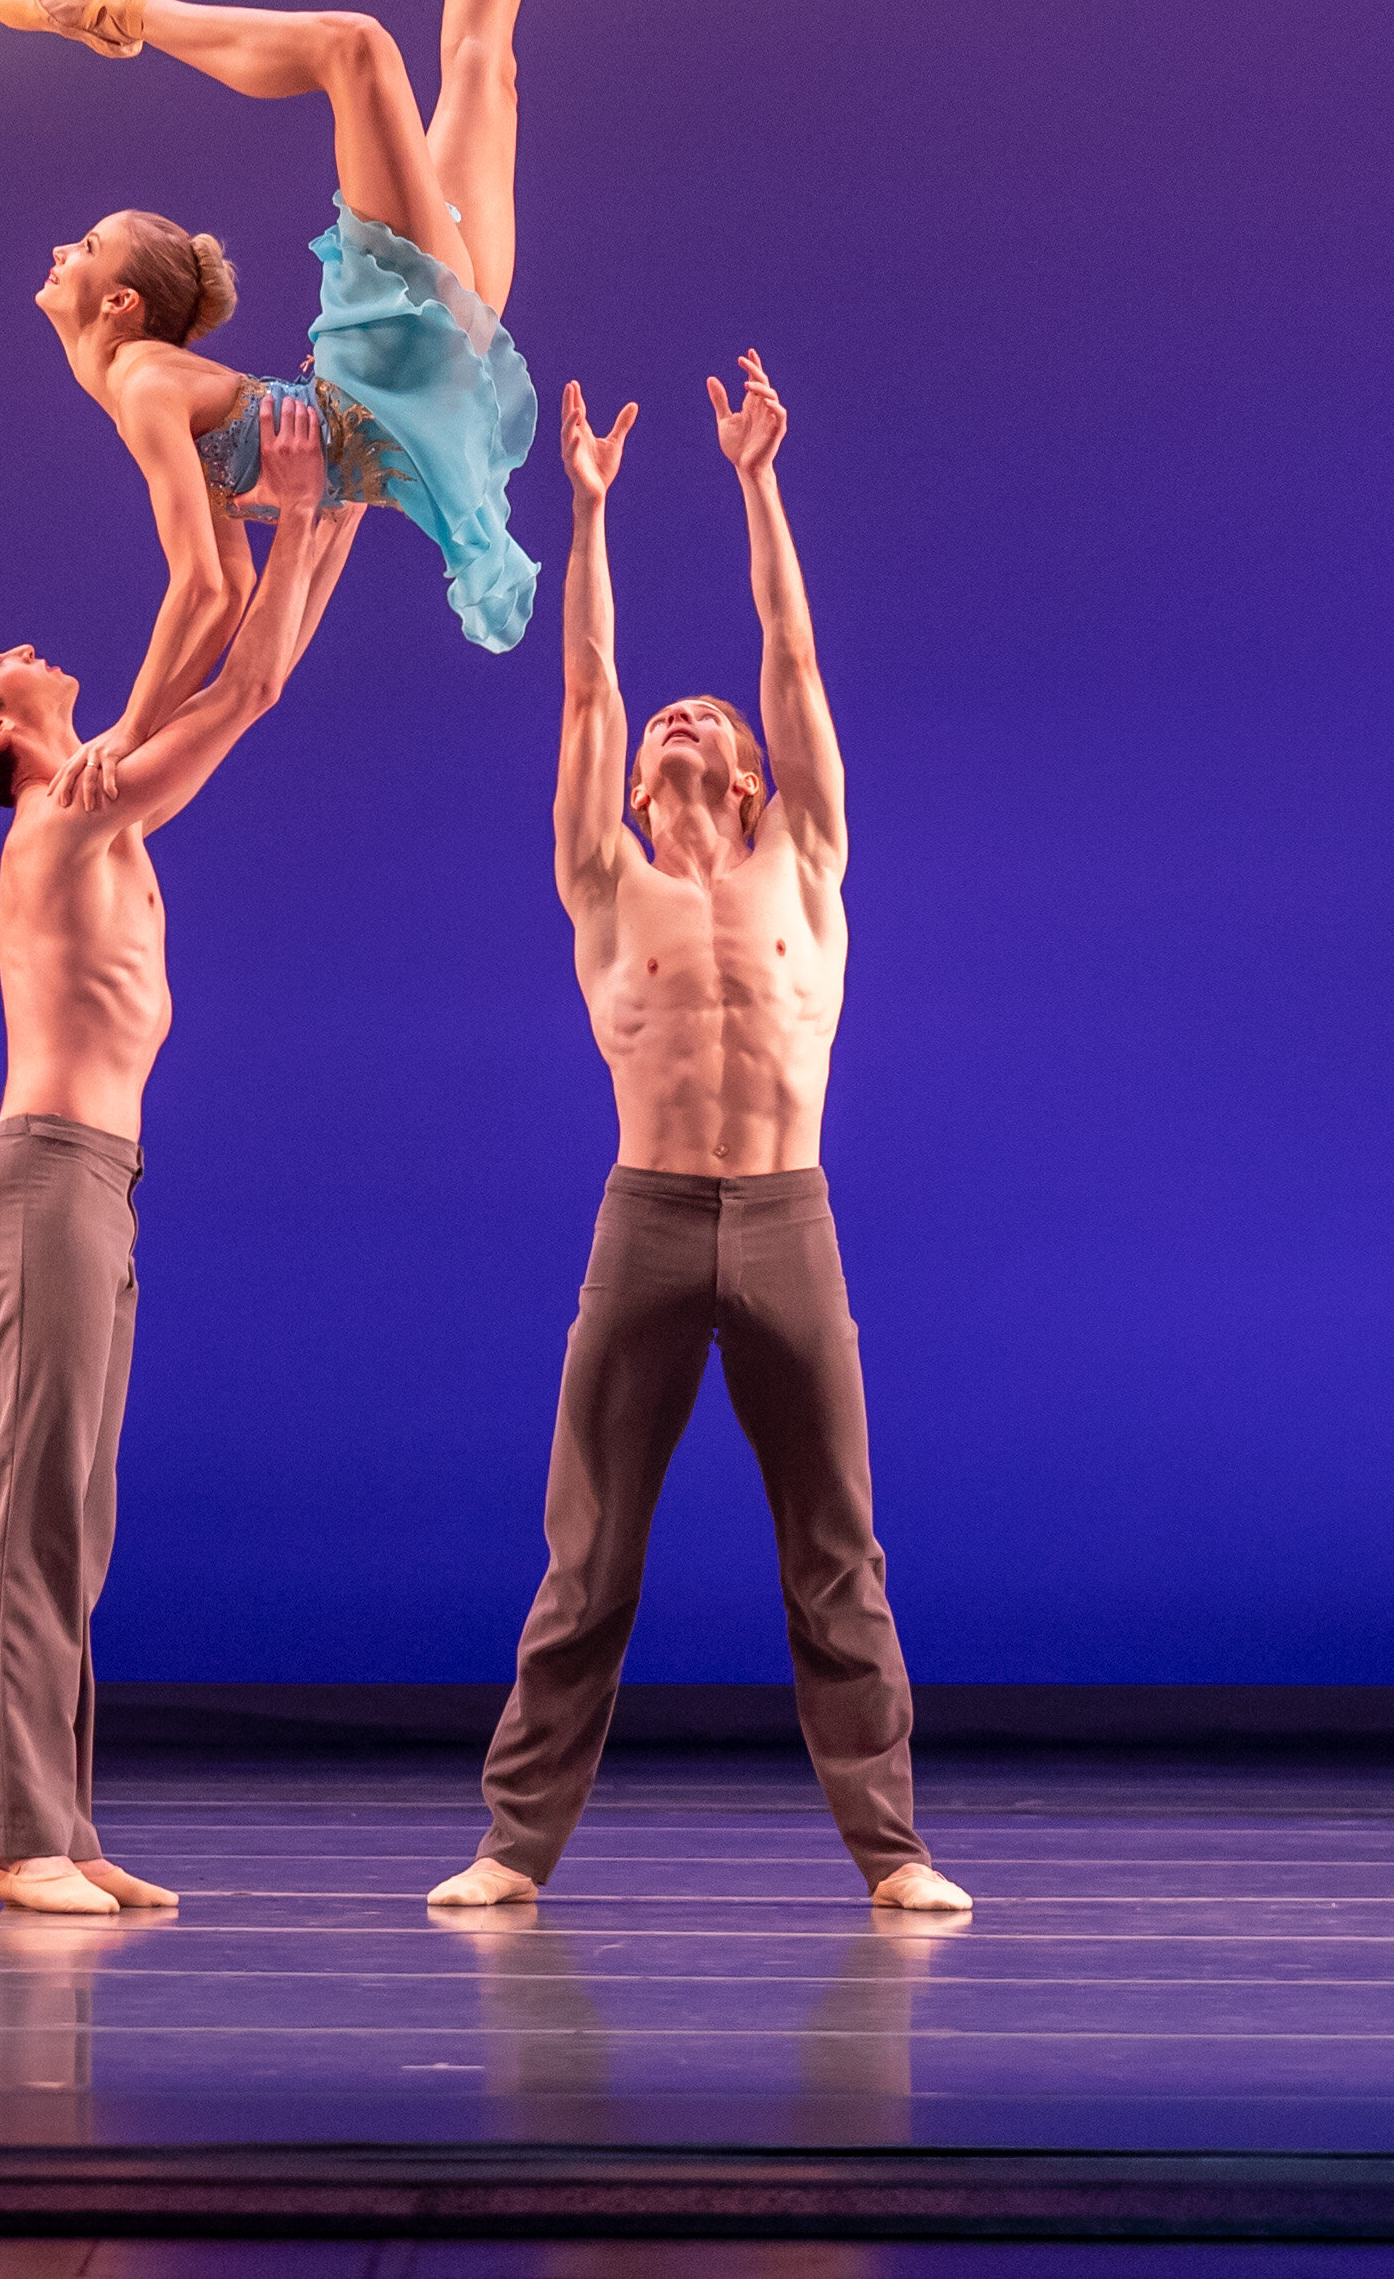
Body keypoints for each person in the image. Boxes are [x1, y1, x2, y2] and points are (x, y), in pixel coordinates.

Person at [428, 353, 971, 1915]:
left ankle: (892, 1849)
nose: (671, 714)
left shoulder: (805, 860)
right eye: (662, 713)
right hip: (649, 1214)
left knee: (835, 1549)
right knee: (587, 1553)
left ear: (743, 770)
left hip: (787, 1214)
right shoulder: (607, 883)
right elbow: (585, 683)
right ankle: (510, 1848)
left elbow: (790, 653)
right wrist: (586, 512)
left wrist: (752, 477)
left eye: (700, 712)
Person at [0, 398, 361, 1915]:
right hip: (43, 1175)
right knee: (33, 1504)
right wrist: (283, 514)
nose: (22, 645)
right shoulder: (63, 819)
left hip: (90, 1182)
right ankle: (19, 1837)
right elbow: (217, 654)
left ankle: (67, 1827)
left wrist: (336, 506)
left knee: (75, 1511)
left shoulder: (101, 812)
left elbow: (257, 677)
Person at [0, 0, 612, 810]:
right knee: (358, 47)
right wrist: (129, 732)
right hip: (391, 371)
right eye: (85, 245)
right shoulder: (138, 382)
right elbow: (202, 587)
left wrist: (151, 724)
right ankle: (131, 13)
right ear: (121, 302)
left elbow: (225, 587)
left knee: (478, 68)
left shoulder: (144, 389)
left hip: (410, 383)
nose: (57, 250)